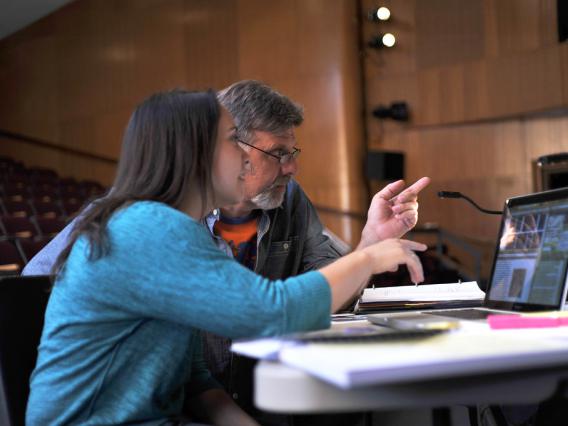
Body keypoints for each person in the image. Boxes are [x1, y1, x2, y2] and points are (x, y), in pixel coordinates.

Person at [26, 89, 427, 426]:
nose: (243, 156)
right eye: (232, 139)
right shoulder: (148, 228)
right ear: (196, 153)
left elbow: (197, 380)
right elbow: (275, 313)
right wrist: (367, 257)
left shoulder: (170, 226)